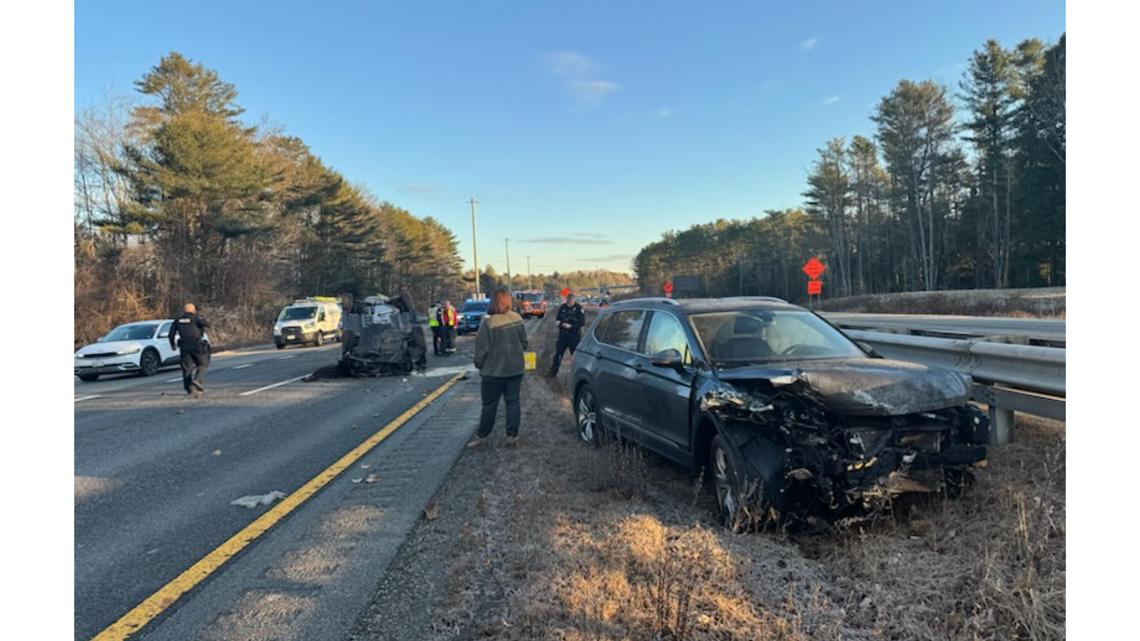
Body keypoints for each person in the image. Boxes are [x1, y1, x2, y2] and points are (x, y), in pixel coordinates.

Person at [469, 287, 528, 448]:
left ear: (494, 301)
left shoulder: (489, 322)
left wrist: (479, 364)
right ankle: (512, 436)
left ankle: (482, 437)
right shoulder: (517, 318)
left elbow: (481, 350)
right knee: (513, 402)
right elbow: (524, 343)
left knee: (489, 405)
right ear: (508, 300)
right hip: (515, 370)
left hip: (493, 373)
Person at [169, 302, 210, 396]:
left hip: (184, 346)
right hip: (196, 345)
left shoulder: (177, 320)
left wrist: (173, 345)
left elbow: (171, 334)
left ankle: (189, 389)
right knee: (203, 364)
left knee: (187, 368)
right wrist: (202, 318)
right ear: (193, 310)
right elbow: (208, 324)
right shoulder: (196, 318)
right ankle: (197, 381)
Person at [548, 292, 585, 376]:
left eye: (571, 301)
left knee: (575, 356)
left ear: (574, 300)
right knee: (558, 354)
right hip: (563, 335)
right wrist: (558, 322)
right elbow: (558, 318)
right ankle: (553, 371)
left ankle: (578, 374)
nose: (570, 302)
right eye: (568, 301)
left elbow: (582, 323)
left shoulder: (579, 308)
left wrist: (571, 326)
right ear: (567, 300)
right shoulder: (562, 307)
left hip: (574, 336)